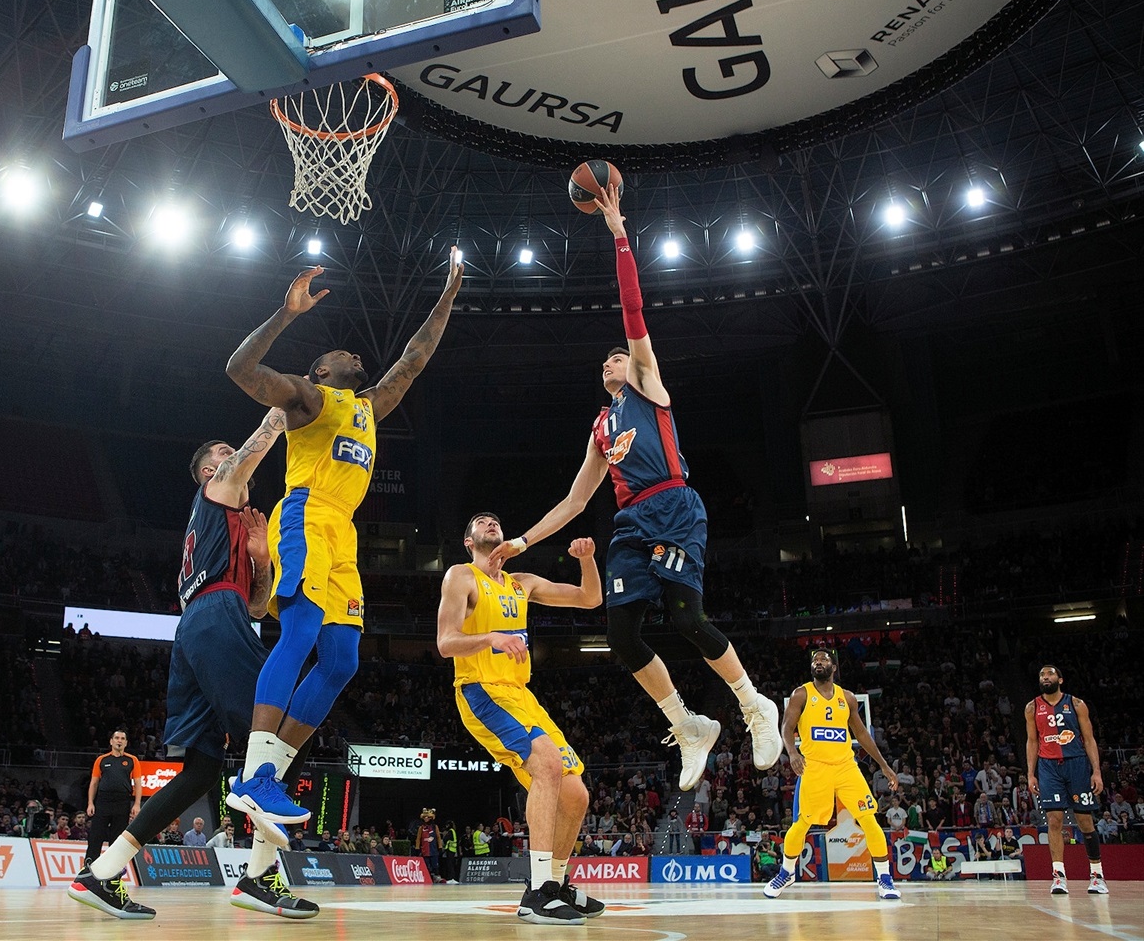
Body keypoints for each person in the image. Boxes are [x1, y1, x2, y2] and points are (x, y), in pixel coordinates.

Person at [485, 186, 780, 791]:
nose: (609, 363)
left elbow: (633, 313)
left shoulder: (649, 388)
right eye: (605, 364)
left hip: (673, 506)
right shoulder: (600, 426)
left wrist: (620, 234)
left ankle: (754, 706)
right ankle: (688, 725)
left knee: (687, 617)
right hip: (628, 523)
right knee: (619, 632)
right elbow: (573, 502)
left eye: (616, 359)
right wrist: (518, 541)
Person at [223, 250, 464, 843]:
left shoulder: (369, 409)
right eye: (339, 353)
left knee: (341, 660)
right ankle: (253, 773)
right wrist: (286, 314)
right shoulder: (308, 399)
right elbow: (239, 367)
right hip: (305, 514)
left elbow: (414, 358)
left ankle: (269, 778)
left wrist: (451, 291)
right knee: (300, 634)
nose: (353, 351)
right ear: (321, 371)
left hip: (344, 532)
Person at [72, 409, 318, 922]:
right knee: (273, 733)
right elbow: (247, 458)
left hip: (200, 628)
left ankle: (102, 871)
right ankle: (258, 878)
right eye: (223, 457)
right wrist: (279, 412)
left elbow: (256, 606)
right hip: (211, 618)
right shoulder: (214, 494)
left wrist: (262, 560)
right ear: (210, 473)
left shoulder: (229, 527)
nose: (234, 461)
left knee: (202, 772)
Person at [436, 514, 606, 924]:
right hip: (481, 689)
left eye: (495, 520)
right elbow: (445, 643)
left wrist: (587, 559)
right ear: (468, 540)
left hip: (521, 695)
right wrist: (491, 638)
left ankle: (557, 884)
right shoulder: (461, 576)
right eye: (480, 522)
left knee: (577, 796)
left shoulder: (521, 582)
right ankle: (538, 891)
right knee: (546, 764)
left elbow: (590, 598)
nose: (490, 523)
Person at [763, 647, 901, 901]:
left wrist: (883, 764)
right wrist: (793, 753)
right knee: (802, 823)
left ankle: (884, 878)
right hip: (815, 767)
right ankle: (787, 872)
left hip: (846, 766)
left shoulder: (847, 698)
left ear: (833, 667)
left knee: (868, 819)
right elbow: (787, 726)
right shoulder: (801, 694)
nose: (818, 661)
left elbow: (861, 734)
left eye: (824, 659)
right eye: (815, 659)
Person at [1026, 663, 1107, 895]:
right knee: (1053, 820)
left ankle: (1097, 874)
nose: (1045, 676)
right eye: (1042, 674)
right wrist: (1031, 773)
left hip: (1077, 763)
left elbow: (1089, 739)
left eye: (1050, 673)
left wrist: (1097, 771)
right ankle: (1059, 876)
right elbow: (1032, 741)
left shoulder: (1077, 704)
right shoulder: (1032, 707)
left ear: (1060, 680)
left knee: (1085, 822)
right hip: (1048, 766)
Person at [84, 730, 144, 865]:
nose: (119, 740)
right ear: (111, 741)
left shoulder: (132, 760)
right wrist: (90, 803)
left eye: (123, 738)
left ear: (126, 742)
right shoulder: (102, 759)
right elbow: (94, 783)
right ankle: (88, 866)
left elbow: (138, 784)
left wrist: (136, 804)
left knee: (117, 838)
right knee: (96, 835)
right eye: (117, 738)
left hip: (122, 801)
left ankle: (114, 869)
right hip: (103, 800)